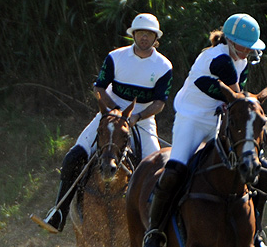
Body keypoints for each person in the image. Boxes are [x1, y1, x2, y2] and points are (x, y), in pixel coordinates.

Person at [142, 13, 267, 247]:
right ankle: (154, 233)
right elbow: (239, 99)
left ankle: (255, 234)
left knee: (259, 168)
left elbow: (241, 104)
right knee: (175, 171)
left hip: (220, 121)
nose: (247, 51)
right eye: (243, 45)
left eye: (250, 47)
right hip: (192, 119)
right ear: (229, 40)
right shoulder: (219, 60)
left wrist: (262, 123)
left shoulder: (241, 62)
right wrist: (265, 120)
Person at [35, 13, 173, 233]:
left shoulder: (164, 66)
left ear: (155, 38)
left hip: (141, 120)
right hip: (109, 115)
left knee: (159, 170)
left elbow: (159, 103)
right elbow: (99, 88)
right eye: (140, 33)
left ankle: (157, 226)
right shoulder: (115, 57)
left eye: (149, 34)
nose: (144, 38)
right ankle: (57, 213)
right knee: (73, 157)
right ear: (134, 35)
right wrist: (115, 111)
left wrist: (137, 116)